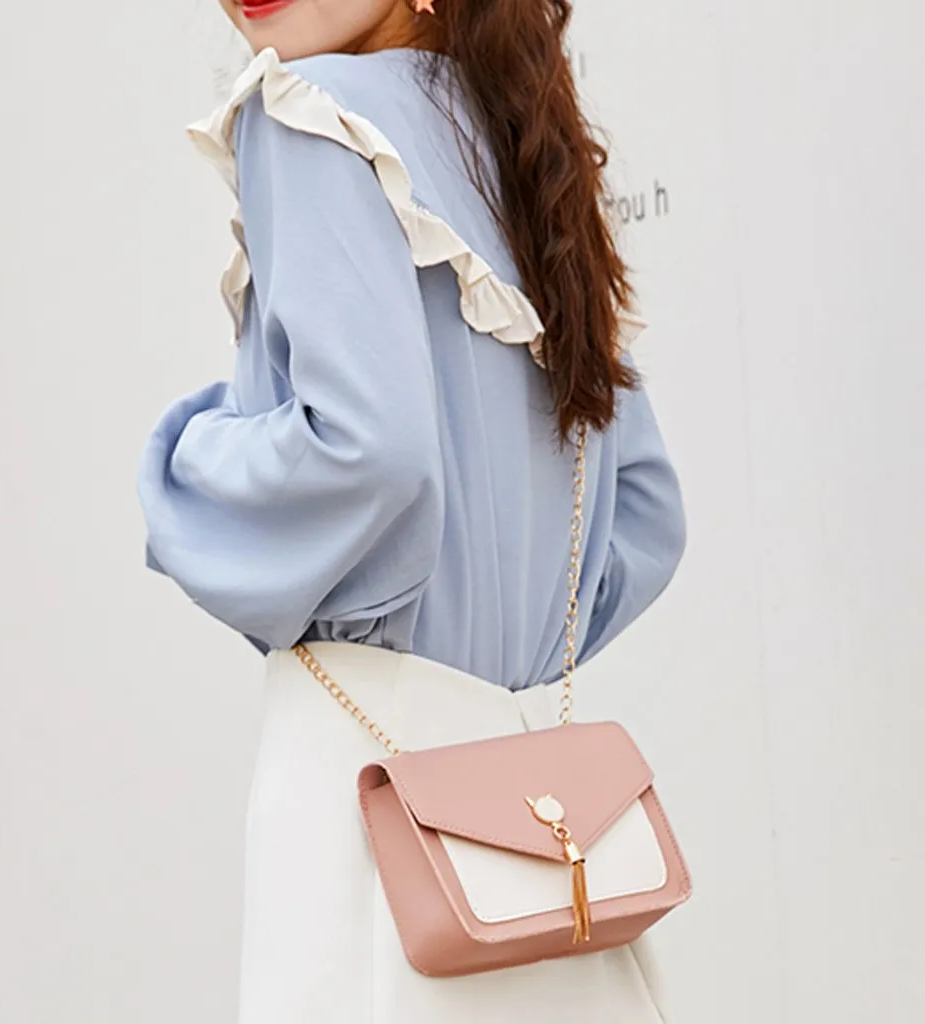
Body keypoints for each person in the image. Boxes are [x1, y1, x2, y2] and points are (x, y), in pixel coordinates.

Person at [137, 0, 687, 1020]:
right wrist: (499, 637)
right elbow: (645, 514)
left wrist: (190, 457)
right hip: (528, 812)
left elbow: (367, 450)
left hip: (357, 777)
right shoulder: (519, 145)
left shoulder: (307, 113)